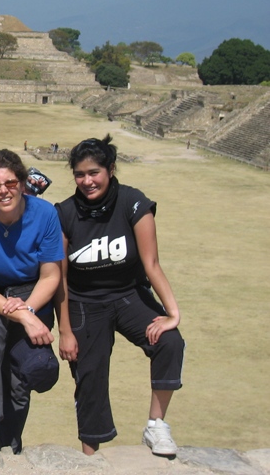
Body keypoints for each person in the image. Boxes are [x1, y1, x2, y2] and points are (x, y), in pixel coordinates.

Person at [54, 135, 185, 457]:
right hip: (84, 301)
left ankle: (157, 426)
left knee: (170, 342)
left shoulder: (132, 203)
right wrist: (66, 331)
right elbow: (60, 279)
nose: (87, 181)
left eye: (94, 172)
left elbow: (151, 263)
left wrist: (172, 313)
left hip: (129, 295)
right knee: (90, 375)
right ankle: (91, 455)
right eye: (80, 174)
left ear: (111, 170)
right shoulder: (65, 213)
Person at [0, 150, 63, 467]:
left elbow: (51, 275)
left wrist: (28, 309)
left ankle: (10, 438)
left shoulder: (44, 214)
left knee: (30, 370)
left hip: (31, 292)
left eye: (10, 182)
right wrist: (22, 315)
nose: (3, 190)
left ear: (21, 182)